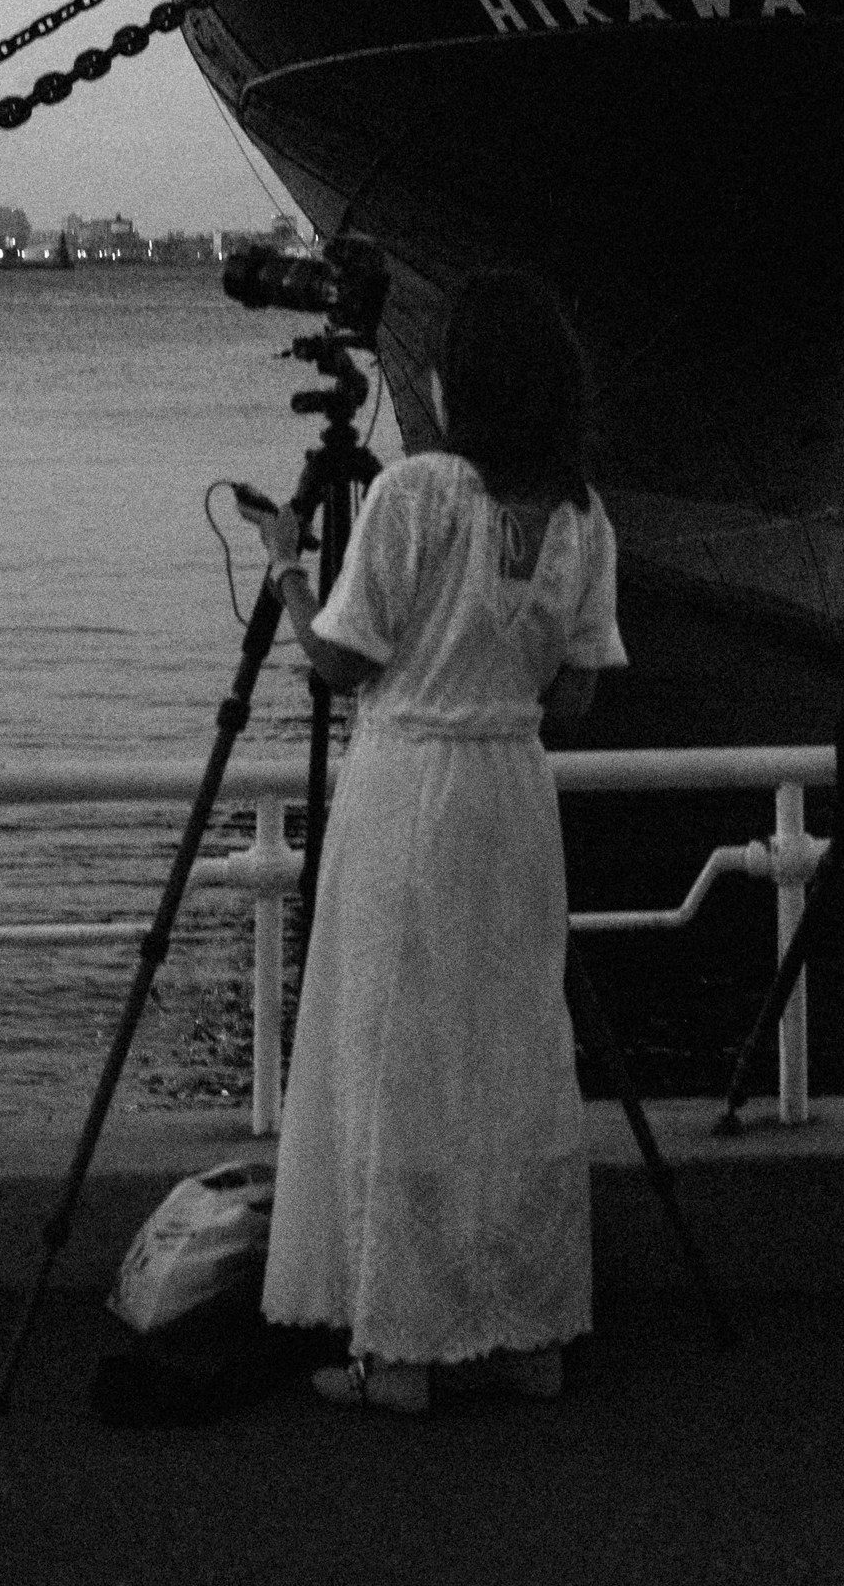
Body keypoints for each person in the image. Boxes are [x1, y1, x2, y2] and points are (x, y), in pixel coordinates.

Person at [259, 268, 625, 1413]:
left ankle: (398, 1349)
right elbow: (574, 700)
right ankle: (527, 1332)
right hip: (514, 799)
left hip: (407, 789)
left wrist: (283, 566)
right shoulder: (579, 513)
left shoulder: (416, 494)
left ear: (460, 381)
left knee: (393, 1050)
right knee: (514, 1052)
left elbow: (344, 659)